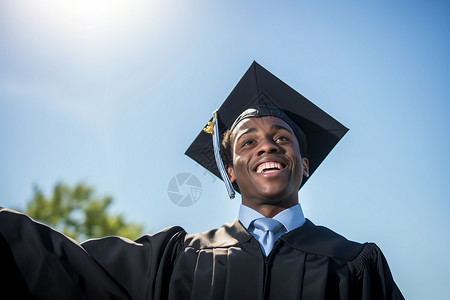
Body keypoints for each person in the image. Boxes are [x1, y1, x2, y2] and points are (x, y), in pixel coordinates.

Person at [0, 62, 404, 299]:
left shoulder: (357, 263)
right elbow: (61, 265)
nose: (267, 147)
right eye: (248, 142)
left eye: (283, 138)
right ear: (229, 171)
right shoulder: (176, 258)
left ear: (305, 164)